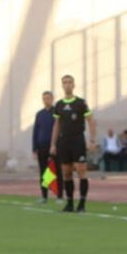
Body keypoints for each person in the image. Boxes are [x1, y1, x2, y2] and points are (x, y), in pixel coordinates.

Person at [49, 74, 97, 212]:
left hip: (78, 140)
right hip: (64, 141)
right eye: (65, 82)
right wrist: (53, 144)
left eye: (70, 82)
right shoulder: (59, 104)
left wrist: (92, 140)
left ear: (74, 85)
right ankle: (69, 203)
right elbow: (56, 125)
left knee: (81, 171)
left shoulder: (81, 103)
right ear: (62, 85)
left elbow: (91, 121)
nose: (67, 85)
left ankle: (82, 204)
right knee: (66, 173)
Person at [32, 91, 55, 201]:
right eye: (44, 98)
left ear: (52, 99)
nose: (46, 100)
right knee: (44, 172)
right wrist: (34, 148)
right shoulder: (39, 114)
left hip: (54, 146)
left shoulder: (56, 112)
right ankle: (44, 195)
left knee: (56, 170)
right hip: (42, 146)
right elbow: (36, 131)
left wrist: (56, 145)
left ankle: (59, 195)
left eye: (48, 98)